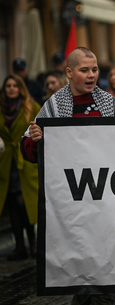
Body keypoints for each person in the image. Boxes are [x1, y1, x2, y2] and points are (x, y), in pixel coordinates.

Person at [20, 47, 115, 305]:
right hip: (72, 204)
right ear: (69, 73)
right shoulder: (54, 105)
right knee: (82, 269)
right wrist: (36, 140)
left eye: (94, 70)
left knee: (103, 268)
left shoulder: (109, 103)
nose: (91, 75)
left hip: (105, 199)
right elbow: (28, 149)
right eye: (84, 70)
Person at [0, 75, 41, 260]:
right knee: (11, 203)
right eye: (8, 86)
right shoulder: (1, 109)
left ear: (20, 88)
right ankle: (19, 245)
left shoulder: (30, 107)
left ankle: (32, 241)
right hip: (6, 161)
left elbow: (42, 128)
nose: (11, 89)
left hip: (25, 161)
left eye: (15, 85)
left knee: (24, 202)